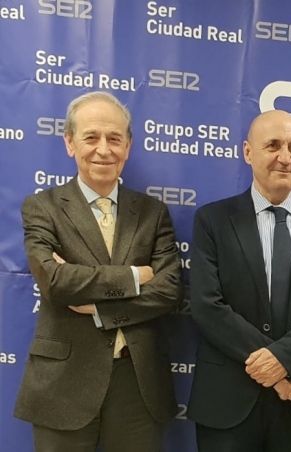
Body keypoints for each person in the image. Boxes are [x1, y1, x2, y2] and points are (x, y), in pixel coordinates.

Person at [15, 91, 183, 452]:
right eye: (91, 137)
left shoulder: (153, 213)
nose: (103, 149)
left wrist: (99, 309)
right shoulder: (42, 207)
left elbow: (169, 290)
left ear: (128, 146)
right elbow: (55, 282)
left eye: (114, 138)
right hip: (63, 386)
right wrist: (135, 277)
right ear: (70, 143)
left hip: (137, 386)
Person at [188, 110, 291, 451]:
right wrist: (279, 368)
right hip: (228, 400)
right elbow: (207, 305)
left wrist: (285, 360)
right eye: (273, 145)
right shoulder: (212, 220)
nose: (285, 157)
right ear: (248, 152)